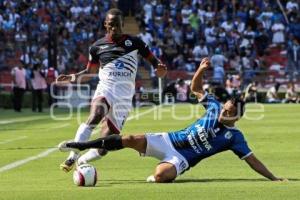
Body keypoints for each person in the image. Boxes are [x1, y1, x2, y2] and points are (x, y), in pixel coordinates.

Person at [58, 58, 286, 183]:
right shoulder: (214, 106)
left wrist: (274, 179)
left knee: (160, 176)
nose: (222, 113)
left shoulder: (234, 138)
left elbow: (252, 161)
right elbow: (195, 88)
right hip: (169, 140)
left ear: (236, 117)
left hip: (182, 159)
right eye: (224, 108)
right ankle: (81, 146)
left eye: (228, 113)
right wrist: (200, 69)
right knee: (128, 139)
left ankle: (160, 170)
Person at [56, 8, 167, 172]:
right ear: (105, 25)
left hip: (124, 98)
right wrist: (72, 77)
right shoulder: (96, 47)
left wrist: (160, 70)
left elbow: (155, 62)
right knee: (96, 114)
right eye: (111, 24)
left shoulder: (136, 43)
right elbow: (90, 72)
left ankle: (83, 160)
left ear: (123, 24)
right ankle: (73, 156)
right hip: (106, 89)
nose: (115, 28)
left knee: (104, 146)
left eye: (118, 25)